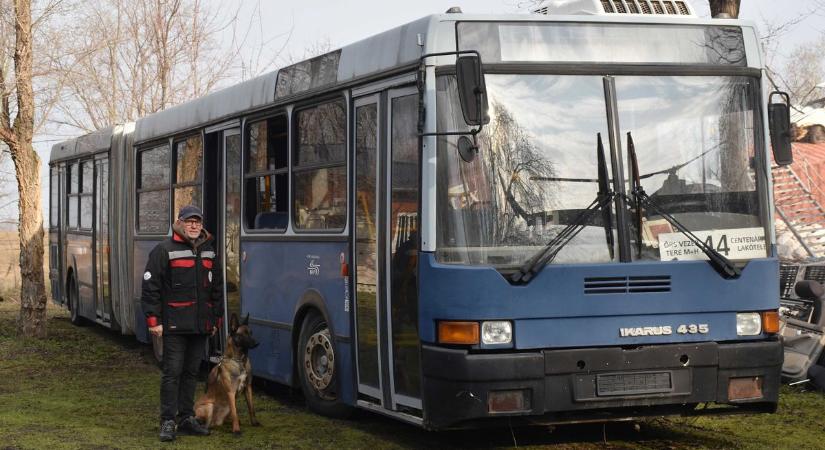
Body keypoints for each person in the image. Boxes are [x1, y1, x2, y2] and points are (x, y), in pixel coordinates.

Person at [141, 205, 224, 442]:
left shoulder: (209, 251)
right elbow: (150, 288)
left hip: (200, 326)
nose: (194, 226)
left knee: (191, 373)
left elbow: (216, 288)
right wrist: (154, 321)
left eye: (197, 222)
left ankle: (186, 418)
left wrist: (215, 319)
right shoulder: (163, 250)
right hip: (174, 326)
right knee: (172, 373)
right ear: (180, 223)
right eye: (190, 222)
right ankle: (168, 421)